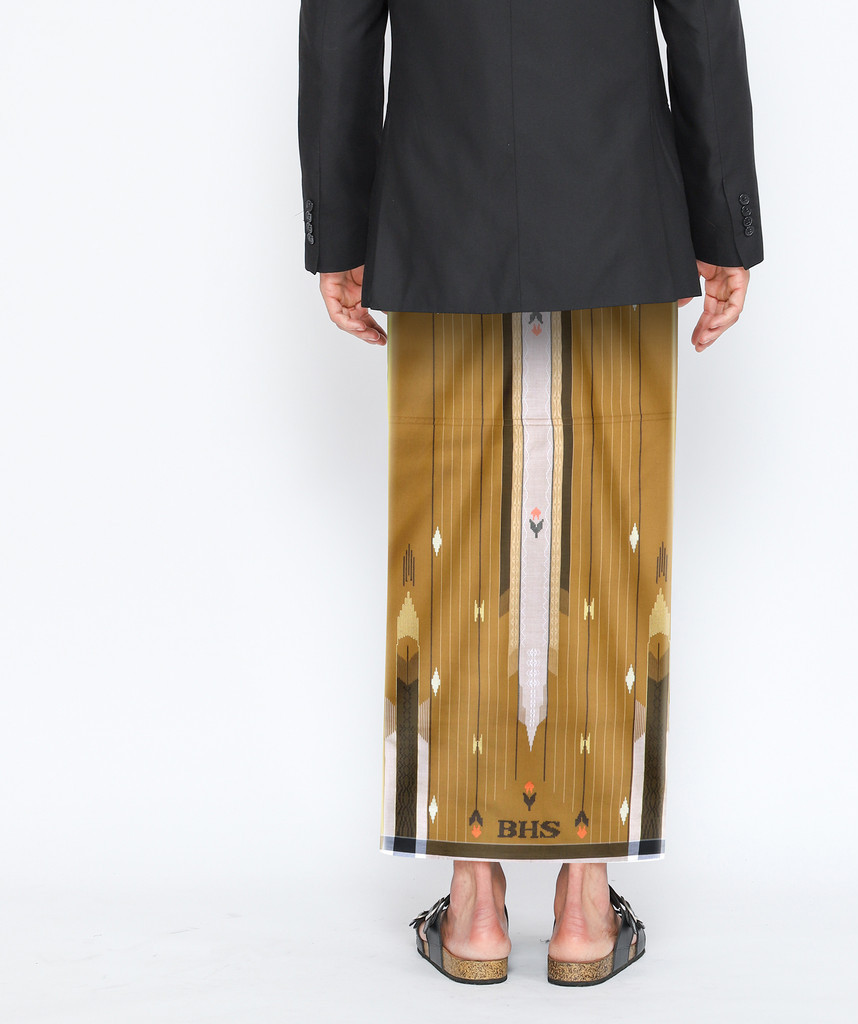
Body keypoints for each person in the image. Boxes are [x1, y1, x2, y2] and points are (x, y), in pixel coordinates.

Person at [298, 0, 763, 987]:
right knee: (613, 530)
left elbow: (340, 24)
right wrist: (722, 218)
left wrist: (340, 228)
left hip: (440, 201)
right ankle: (585, 908)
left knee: (449, 534)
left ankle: (472, 906)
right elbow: (699, 17)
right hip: (617, 198)